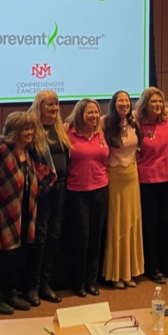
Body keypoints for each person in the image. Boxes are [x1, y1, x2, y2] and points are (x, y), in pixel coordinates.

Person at [0, 112, 55, 315]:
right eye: (25, 129)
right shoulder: (0, 150)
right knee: (0, 257)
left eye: (31, 128)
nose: (30, 132)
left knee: (17, 257)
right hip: (1, 215)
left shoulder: (29, 152)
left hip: (24, 214)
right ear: (14, 131)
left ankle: (11, 293)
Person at [134, 87, 168, 284]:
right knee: (151, 225)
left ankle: (167, 264)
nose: (157, 105)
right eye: (153, 102)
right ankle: (152, 267)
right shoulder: (138, 124)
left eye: (160, 102)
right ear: (145, 104)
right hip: (148, 182)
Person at [26, 91, 71, 306]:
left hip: (61, 189)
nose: (53, 109)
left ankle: (46, 283)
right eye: (49, 105)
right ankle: (32, 286)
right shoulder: (32, 128)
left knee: (54, 235)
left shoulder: (60, 128)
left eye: (56, 104)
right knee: (40, 237)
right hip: (41, 191)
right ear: (39, 106)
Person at [65, 99, 109, 297]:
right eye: (89, 113)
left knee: (95, 237)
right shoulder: (68, 133)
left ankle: (92, 281)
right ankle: (78, 282)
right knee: (81, 237)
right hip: (77, 191)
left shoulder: (100, 132)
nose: (93, 116)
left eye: (96, 112)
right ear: (80, 114)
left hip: (100, 188)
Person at [102, 91, 145, 289]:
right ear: (114, 104)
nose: (124, 104)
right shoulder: (105, 123)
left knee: (131, 223)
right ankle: (116, 273)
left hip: (132, 177)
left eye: (127, 101)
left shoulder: (134, 121)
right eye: (120, 101)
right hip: (115, 178)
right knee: (117, 224)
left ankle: (129, 272)